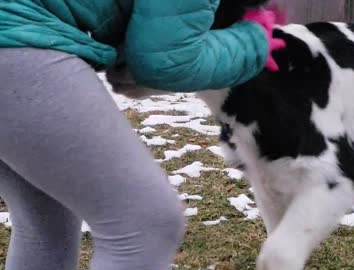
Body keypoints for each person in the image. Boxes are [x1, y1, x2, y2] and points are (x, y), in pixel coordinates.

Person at [0, 1, 285, 270]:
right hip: (14, 38)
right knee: (143, 224)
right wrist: (256, 40)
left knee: (47, 223)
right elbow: (164, 63)